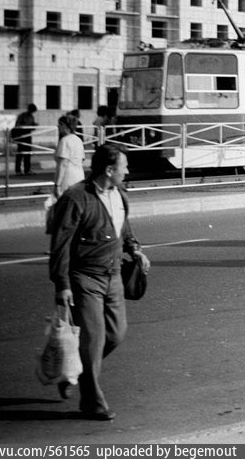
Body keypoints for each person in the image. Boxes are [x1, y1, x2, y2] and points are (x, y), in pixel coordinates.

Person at [48, 143, 149, 420]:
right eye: (124, 167)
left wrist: (135, 249)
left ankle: (74, 372)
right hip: (85, 279)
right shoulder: (76, 198)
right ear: (109, 170)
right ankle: (93, 403)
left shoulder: (119, 195)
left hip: (114, 276)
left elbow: (123, 228)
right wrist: (62, 284)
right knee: (94, 339)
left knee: (116, 334)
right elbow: (60, 245)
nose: (127, 172)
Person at [54, 115, 85, 199]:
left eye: (60, 124)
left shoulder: (65, 141)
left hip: (67, 178)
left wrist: (57, 185)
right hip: (79, 177)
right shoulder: (78, 140)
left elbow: (63, 164)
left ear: (67, 126)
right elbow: (82, 159)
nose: (58, 126)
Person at [13, 103, 39, 175]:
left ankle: (27, 169)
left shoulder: (31, 117)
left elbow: (32, 126)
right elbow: (17, 125)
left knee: (28, 153)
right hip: (21, 136)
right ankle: (18, 170)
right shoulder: (22, 116)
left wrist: (34, 125)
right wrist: (27, 126)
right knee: (20, 154)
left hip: (28, 136)